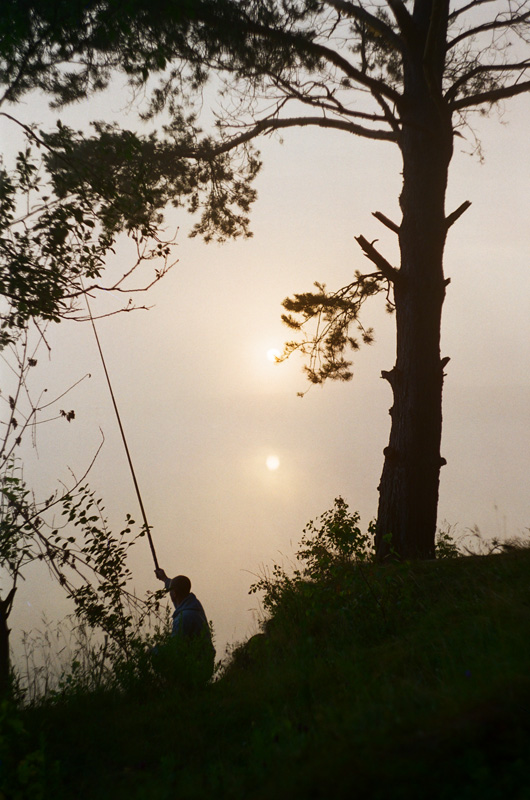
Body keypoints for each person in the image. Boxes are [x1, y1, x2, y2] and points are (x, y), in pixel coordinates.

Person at [153, 567, 215, 686]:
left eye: (171, 592)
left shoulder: (183, 618)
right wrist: (165, 579)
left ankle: (178, 690)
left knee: (158, 655)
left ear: (174, 593)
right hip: (206, 665)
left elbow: (174, 649)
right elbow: (177, 594)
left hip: (197, 670)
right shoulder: (194, 604)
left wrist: (154, 651)